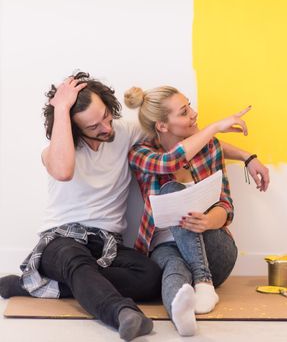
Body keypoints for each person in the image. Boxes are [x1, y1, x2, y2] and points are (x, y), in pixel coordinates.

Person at [0, 72, 268, 341]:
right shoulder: (58, 148)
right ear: (72, 127)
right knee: (75, 261)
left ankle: (39, 284)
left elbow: (186, 142)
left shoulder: (124, 131)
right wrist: (60, 108)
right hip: (62, 239)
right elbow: (63, 170)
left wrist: (246, 156)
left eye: (106, 115)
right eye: (93, 127)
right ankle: (122, 314)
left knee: (151, 276)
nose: (106, 128)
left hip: (107, 243)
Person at [125, 85, 268, 336]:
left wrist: (206, 221)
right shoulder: (141, 154)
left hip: (215, 250)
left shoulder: (210, 149)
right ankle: (181, 314)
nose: (193, 113)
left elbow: (226, 207)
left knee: (177, 202)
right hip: (164, 248)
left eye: (189, 105)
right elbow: (170, 162)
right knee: (173, 267)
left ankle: (203, 281)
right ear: (162, 126)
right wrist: (214, 127)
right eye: (184, 112)